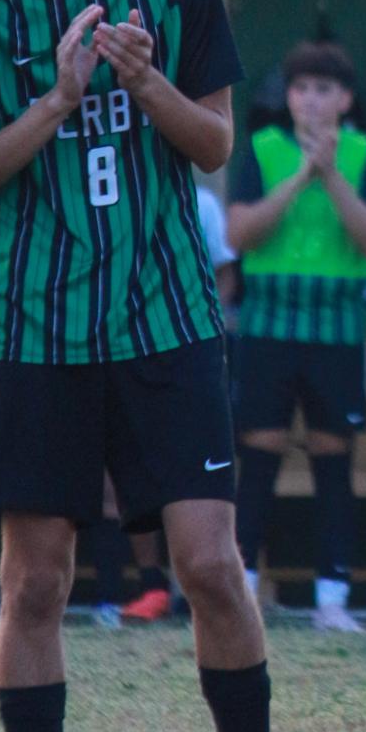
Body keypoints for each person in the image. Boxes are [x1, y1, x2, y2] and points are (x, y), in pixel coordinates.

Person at [0, 0, 315, 732]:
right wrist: (57, 99)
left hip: (169, 326)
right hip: (38, 334)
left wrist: (144, 80)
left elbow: (217, 146)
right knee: (36, 582)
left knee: (212, 565)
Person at [229, 42, 366, 633]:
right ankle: (242, 590)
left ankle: (332, 597)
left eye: (324, 89)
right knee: (260, 453)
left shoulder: (365, 154)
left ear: (345, 100)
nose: (312, 99)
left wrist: (331, 174)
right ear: (288, 97)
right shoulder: (263, 150)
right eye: (301, 89)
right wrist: (302, 175)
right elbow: (240, 233)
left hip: (336, 326)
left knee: (332, 460)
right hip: (270, 322)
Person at [120, 181, 239, 623]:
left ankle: (195, 587)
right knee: (131, 474)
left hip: (182, 350)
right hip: (117, 350)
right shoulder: (95, 193)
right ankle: (150, 585)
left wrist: (203, 322)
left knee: (189, 476)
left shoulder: (201, 201)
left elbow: (226, 272)